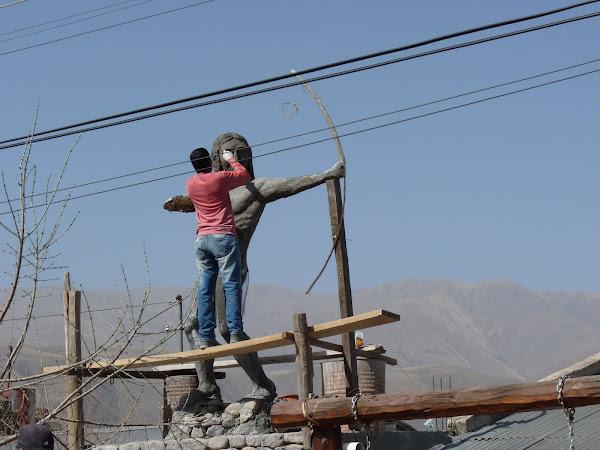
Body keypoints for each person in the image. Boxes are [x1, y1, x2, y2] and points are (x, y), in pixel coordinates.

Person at [165, 132, 345, 403]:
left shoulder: (255, 187)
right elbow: (198, 199)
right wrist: (179, 203)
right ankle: (208, 386)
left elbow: (291, 184)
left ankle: (262, 385)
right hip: (210, 262)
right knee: (192, 324)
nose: (234, 157)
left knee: (228, 329)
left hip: (231, 265)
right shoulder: (216, 184)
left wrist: (329, 174)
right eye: (228, 152)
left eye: (239, 152)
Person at [186, 146, 251, 349]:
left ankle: (205, 335)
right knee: (231, 284)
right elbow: (244, 176)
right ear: (210, 161)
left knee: (205, 288)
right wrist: (230, 158)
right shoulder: (219, 178)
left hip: (202, 240)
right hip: (222, 237)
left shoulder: (190, 184)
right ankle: (235, 331)